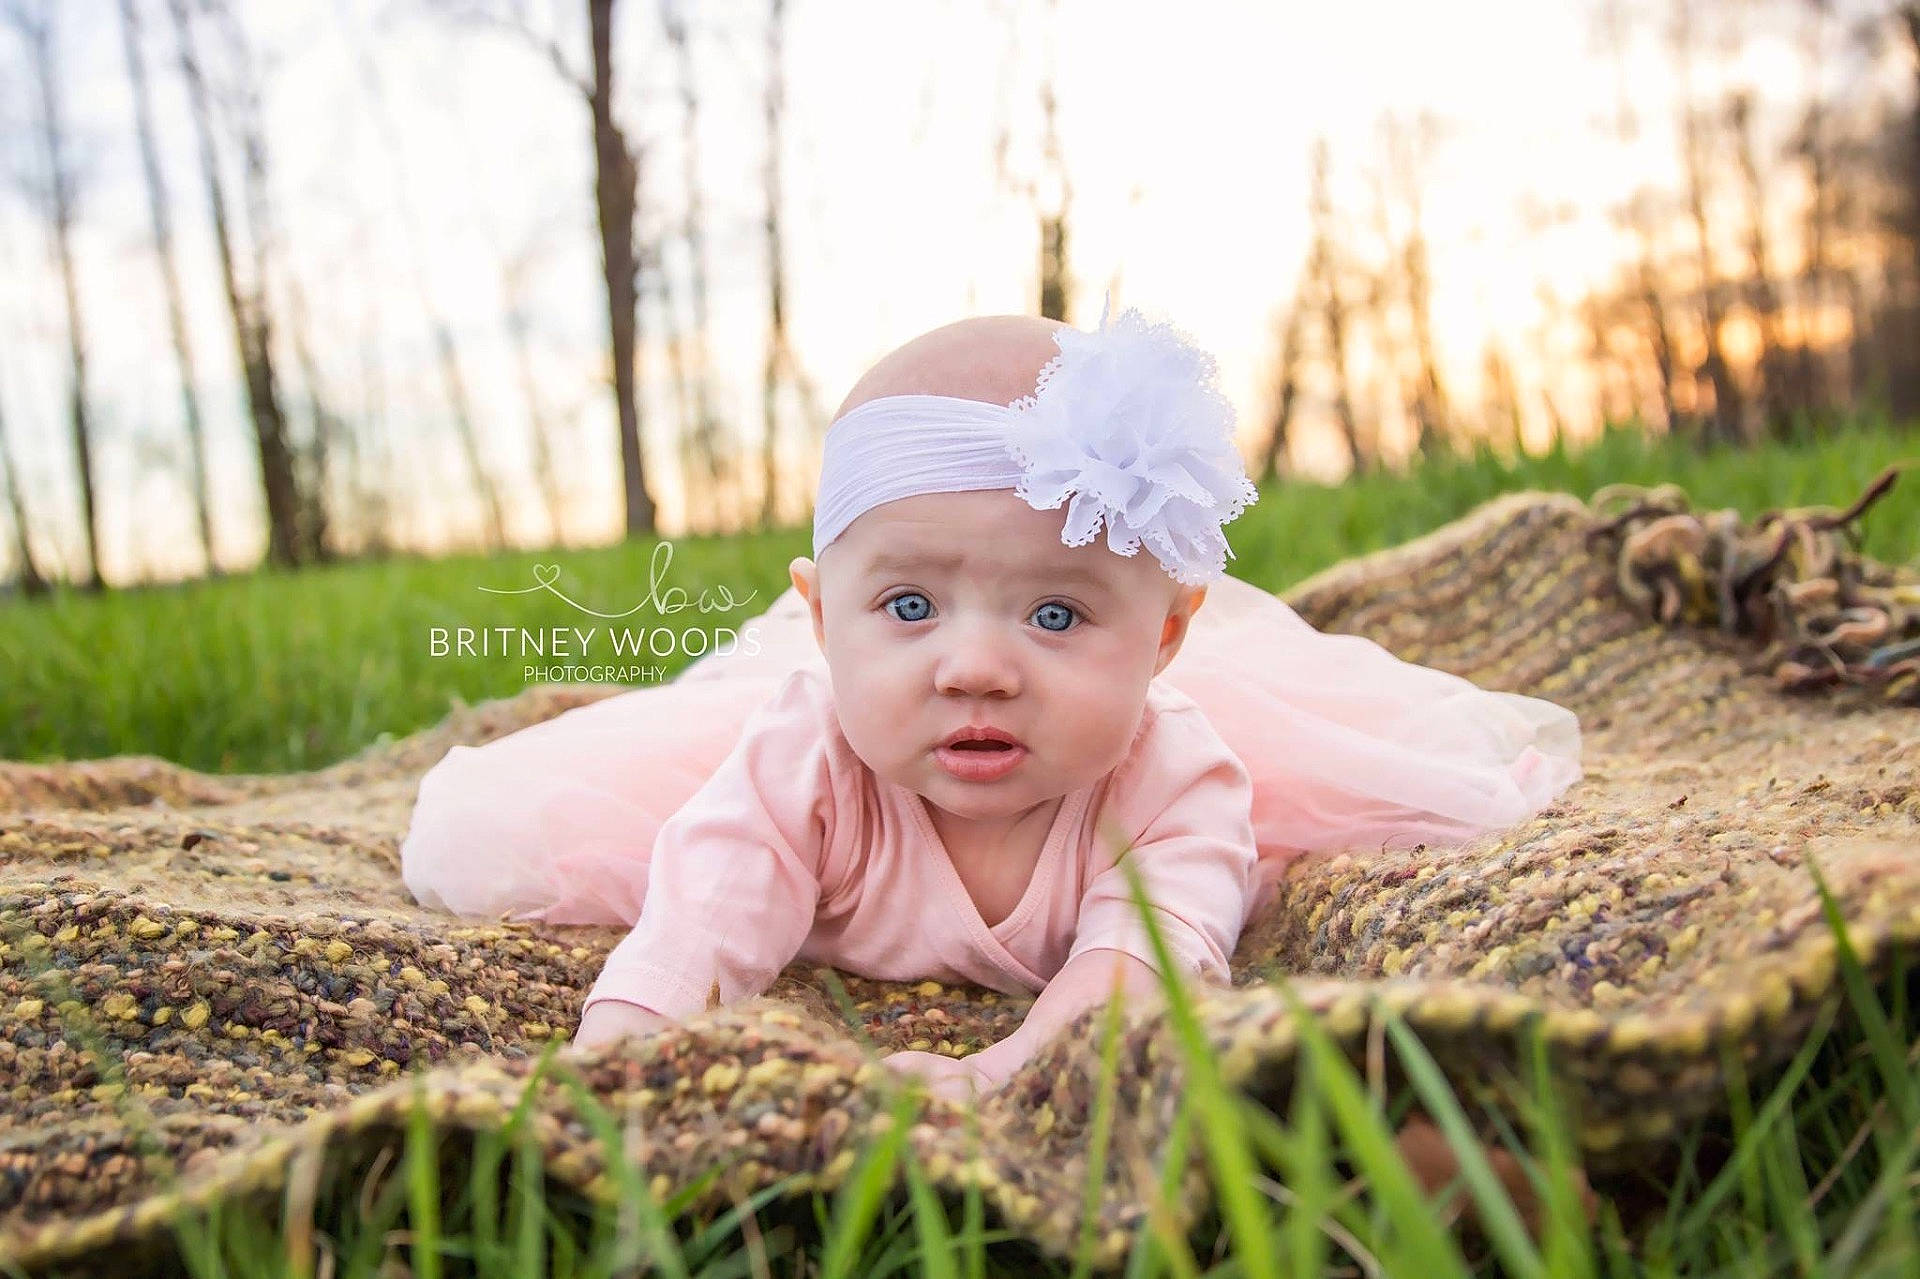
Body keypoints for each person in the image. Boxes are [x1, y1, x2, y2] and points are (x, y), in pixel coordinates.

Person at [401, 304, 1583, 1107]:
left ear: (1166, 635)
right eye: (909, 605)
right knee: (622, 841)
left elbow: (1135, 980)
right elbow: (699, 923)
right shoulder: (806, 762)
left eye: (1057, 616)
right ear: (821, 621)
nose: (975, 667)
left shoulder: (1172, 783)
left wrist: (1004, 1074)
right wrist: (620, 1071)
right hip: (786, 764)